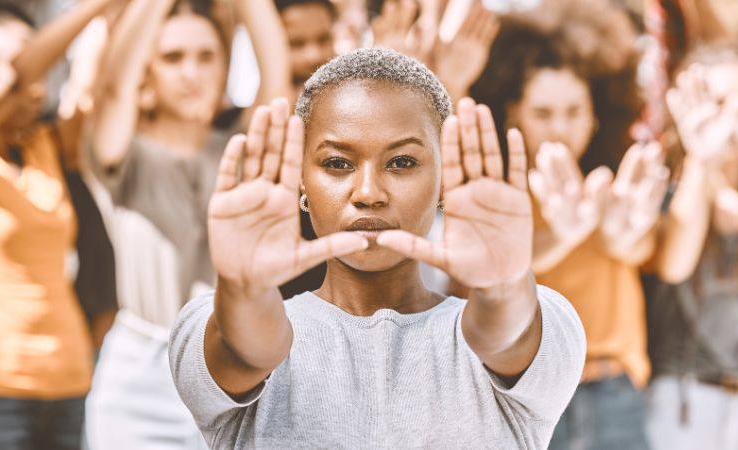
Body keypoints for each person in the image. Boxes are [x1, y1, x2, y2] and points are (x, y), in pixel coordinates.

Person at [169, 47, 586, 448]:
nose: (369, 193)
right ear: (301, 179)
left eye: (401, 162)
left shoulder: (545, 320)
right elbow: (248, 349)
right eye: (337, 163)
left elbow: (504, 334)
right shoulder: (211, 321)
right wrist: (244, 289)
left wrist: (502, 287)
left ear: (444, 177)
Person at [82, 0, 290, 448]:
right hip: (139, 367)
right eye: (172, 58)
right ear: (147, 71)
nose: (190, 72)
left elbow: (277, 82)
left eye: (206, 56)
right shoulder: (121, 150)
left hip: (229, 359)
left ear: (224, 67)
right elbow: (114, 88)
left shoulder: (241, 148)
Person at [471, 2, 668, 449]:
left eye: (574, 111)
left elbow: (640, 250)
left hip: (613, 391)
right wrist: (564, 233)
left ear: (596, 113)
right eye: (543, 113)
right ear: (512, 113)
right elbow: (489, 275)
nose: (560, 128)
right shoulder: (491, 188)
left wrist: (620, 234)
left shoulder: (618, 178)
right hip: (522, 394)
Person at [0, 1, 121, 448]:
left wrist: (110, 19)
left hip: (71, 377)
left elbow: (89, 82)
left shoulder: (45, 145)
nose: (35, 85)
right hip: (5, 389)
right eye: (15, 62)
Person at [646, 42, 738, 450]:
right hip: (685, 398)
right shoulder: (665, 185)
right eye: (719, 102)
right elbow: (675, 265)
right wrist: (702, 161)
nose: (734, 120)